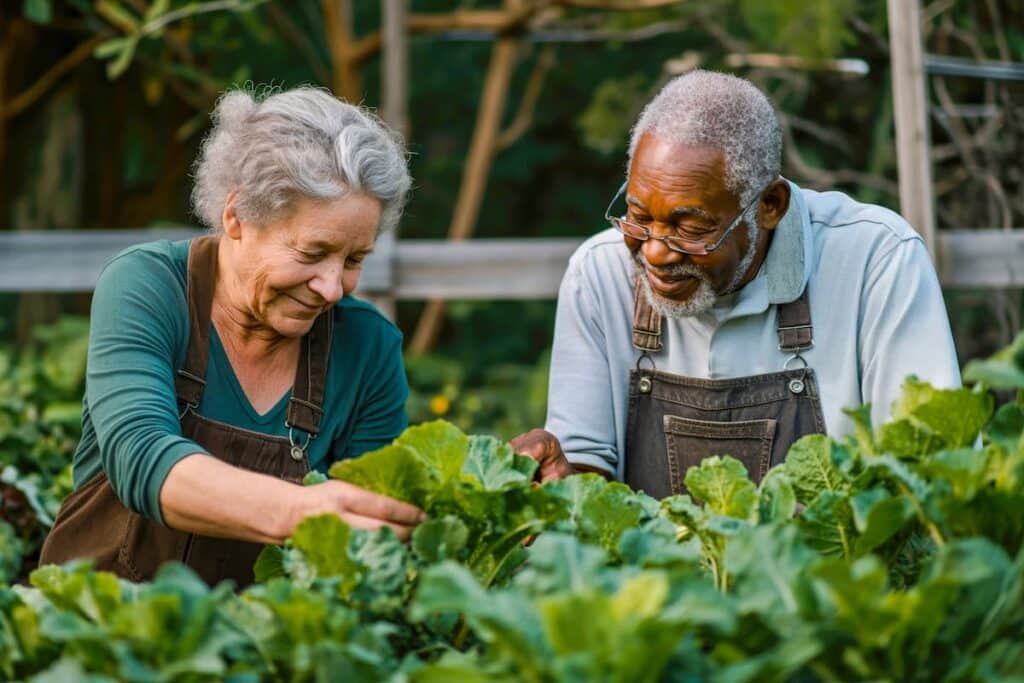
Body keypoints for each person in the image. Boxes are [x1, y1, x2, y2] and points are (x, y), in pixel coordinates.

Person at [40, 86, 425, 587]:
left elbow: (376, 543)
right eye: (312, 253)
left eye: (354, 260)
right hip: (95, 631)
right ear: (236, 216)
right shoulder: (150, 287)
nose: (333, 288)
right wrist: (302, 512)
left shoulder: (368, 348)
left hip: (265, 649)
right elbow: (141, 457)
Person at [511, 70, 960, 498]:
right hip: (649, 580)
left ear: (769, 205)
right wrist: (563, 474)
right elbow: (588, 474)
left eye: (689, 227)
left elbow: (925, 471)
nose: (654, 253)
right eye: (639, 217)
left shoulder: (875, 260)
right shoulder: (599, 273)